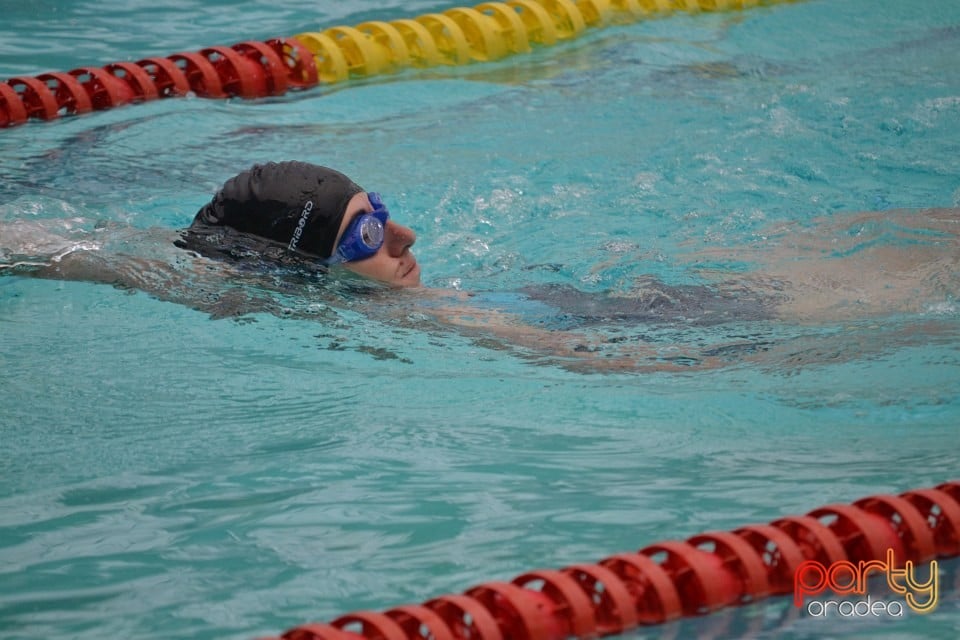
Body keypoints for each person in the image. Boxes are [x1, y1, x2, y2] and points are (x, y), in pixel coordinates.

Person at [2, 161, 958, 372]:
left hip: (630, 298)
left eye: (384, 216)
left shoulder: (327, 297)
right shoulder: (410, 319)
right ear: (298, 269)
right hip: (655, 318)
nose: (407, 242)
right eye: (369, 239)